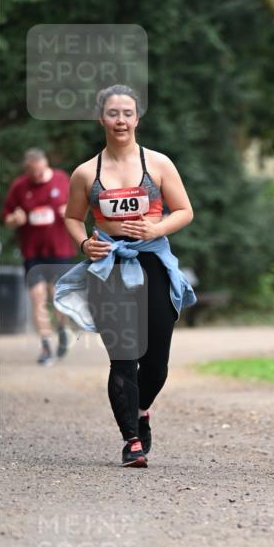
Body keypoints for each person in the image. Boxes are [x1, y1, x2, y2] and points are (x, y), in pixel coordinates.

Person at [54, 85, 196, 468]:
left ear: (137, 118)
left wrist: (156, 229)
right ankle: (132, 439)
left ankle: (142, 409)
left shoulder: (159, 164)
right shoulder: (86, 172)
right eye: (113, 113)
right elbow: (71, 217)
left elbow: (184, 211)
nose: (121, 120)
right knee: (122, 357)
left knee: (156, 362)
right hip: (108, 269)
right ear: (102, 118)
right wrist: (85, 244)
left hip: (152, 263)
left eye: (127, 113)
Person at [2, 148, 76, 365]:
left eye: (39, 172)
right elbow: (7, 218)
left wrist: (69, 210)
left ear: (46, 164)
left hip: (60, 250)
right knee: (37, 298)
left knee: (57, 297)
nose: (36, 176)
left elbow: (80, 208)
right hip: (32, 252)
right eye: (32, 173)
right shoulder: (19, 186)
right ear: (27, 170)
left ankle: (62, 329)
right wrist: (15, 218)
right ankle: (45, 346)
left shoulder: (63, 180)